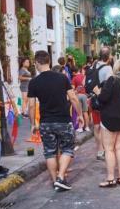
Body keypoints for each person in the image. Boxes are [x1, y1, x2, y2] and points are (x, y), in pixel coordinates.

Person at [28, 50, 83, 191]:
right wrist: (80, 114)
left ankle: (55, 182)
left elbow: (32, 105)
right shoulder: (62, 78)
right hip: (63, 120)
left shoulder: (33, 82)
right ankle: (60, 178)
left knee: (50, 152)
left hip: (46, 122)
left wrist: (33, 123)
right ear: (49, 61)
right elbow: (73, 98)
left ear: (36, 63)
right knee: (67, 149)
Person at [93, 59, 120, 188]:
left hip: (110, 118)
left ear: (115, 68)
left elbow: (103, 98)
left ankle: (110, 178)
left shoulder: (112, 80)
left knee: (109, 149)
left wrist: (97, 92)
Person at [93, 47, 114, 161]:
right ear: (109, 56)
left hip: (93, 99)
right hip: (104, 100)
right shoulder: (108, 68)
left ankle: (99, 151)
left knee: (96, 126)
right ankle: (107, 150)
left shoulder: (93, 65)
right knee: (105, 126)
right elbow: (109, 85)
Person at [71, 66, 90, 133]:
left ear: (74, 72)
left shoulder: (74, 78)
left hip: (78, 96)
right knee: (85, 112)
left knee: (80, 113)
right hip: (85, 96)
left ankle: (80, 127)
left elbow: (72, 89)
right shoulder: (84, 76)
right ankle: (87, 127)